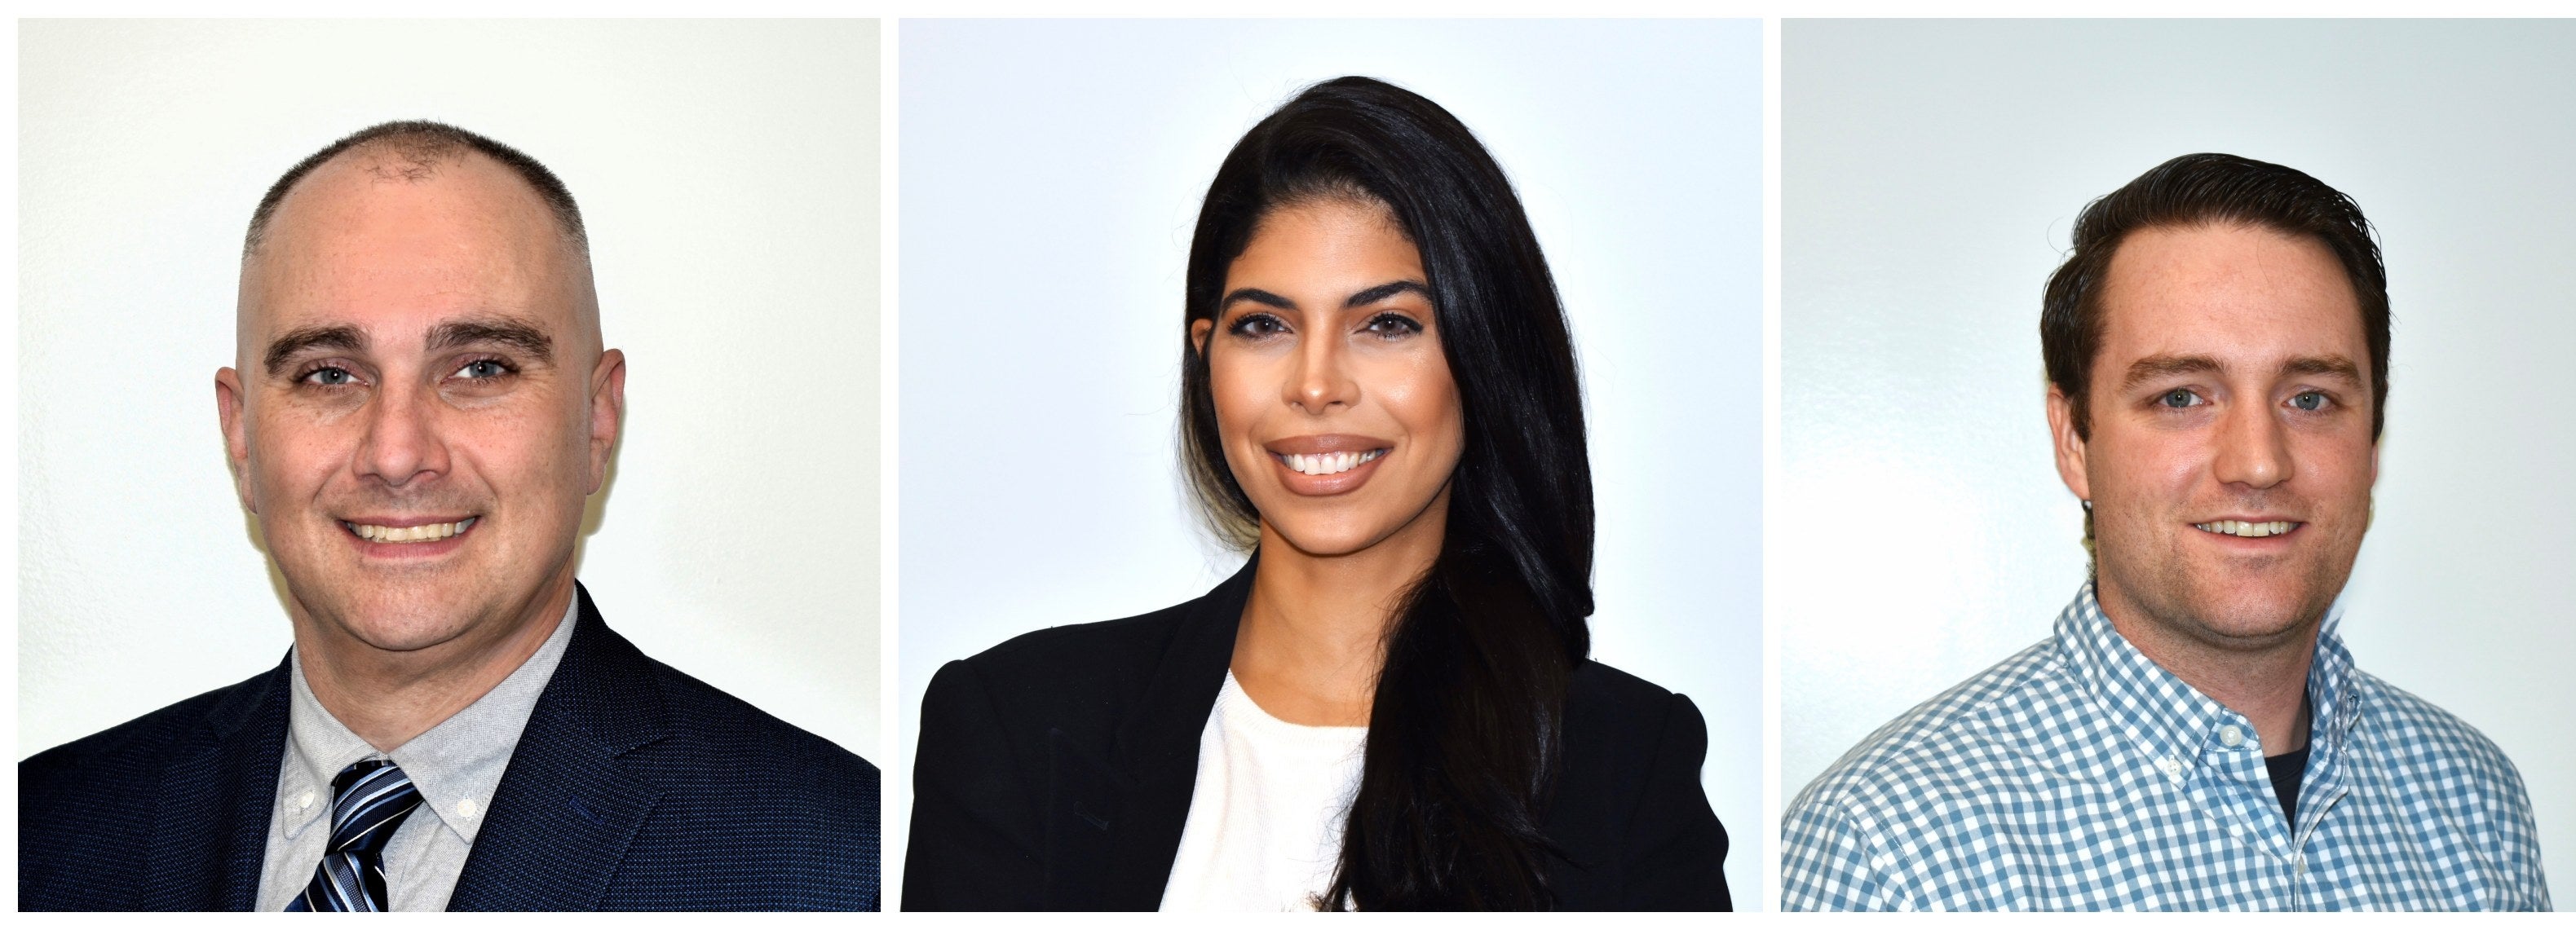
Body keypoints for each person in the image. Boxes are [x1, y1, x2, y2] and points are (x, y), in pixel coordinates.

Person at [902, 77, 1730, 912]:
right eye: (1265, 325)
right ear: (1207, 357)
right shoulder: (1015, 727)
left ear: (1483, 358)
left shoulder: (1624, 763)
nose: (1316, 383)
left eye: (1388, 324)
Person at [18, 121, 880, 911]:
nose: (397, 454)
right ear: (241, 435)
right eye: (328, 374)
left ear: (597, 421)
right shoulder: (42, 839)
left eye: (482, 369)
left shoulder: (845, 863)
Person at [1780, 153, 2550, 910]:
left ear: (2372, 440)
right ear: (2074, 440)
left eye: (2310, 398)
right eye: (2182, 396)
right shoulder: (1886, 855)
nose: (2257, 463)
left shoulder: (2475, 798)